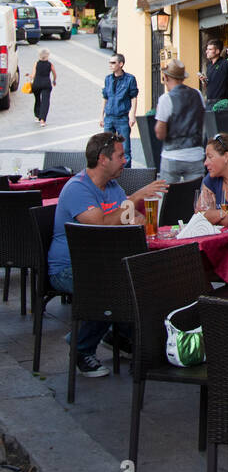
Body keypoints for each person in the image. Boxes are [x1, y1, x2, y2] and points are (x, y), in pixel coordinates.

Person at [47, 131, 167, 377]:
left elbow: (129, 218)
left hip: (105, 264)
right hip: (70, 269)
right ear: (103, 159)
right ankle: (80, 347)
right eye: (120, 155)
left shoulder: (112, 187)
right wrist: (136, 198)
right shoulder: (78, 189)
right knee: (114, 287)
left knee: (145, 278)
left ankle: (119, 336)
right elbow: (100, 224)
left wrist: (138, 217)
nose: (125, 160)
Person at [154, 59, 206, 184]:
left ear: (166, 77)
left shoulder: (166, 99)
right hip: (196, 154)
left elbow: (160, 134)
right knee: (195, 197)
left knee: (169, 200)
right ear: (183, 78)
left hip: (172, 155)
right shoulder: (198, 94)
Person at [100, 53, 138, 166]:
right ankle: (109, 172)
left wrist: (132, 115)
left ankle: (126, 174)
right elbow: (105, 97)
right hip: (109, 117)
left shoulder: (130, 79)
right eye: (109, 62)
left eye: (113, 63)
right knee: (107, 148)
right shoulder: (108, 79)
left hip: (122, 118)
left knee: (125, 149)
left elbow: (134, 97)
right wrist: (101, 115)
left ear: (120, 64)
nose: (110, 65)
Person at [199, 38, 228, 109]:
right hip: (209, 102)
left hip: (221, 103)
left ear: (217, 51)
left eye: (210, 49)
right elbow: (207, 85)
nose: (207, 51)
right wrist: (204, 81)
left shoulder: (224, 63)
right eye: (207, 49)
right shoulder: (209, 65)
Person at [30, 49, 56, 126]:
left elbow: (33, 75)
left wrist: (29, 76)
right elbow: (54, 74)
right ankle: (42, 120)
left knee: (37, 99)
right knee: (45, 101)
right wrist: (54, 81)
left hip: (36, 84)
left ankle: (37, 116)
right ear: (47, 55)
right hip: (46, 84)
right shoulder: (50, 64)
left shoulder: (36, 63)